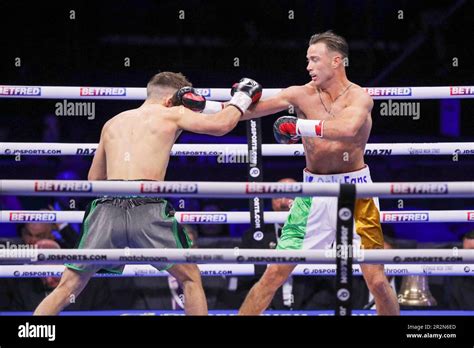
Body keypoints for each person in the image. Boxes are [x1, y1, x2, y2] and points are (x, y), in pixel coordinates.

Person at [34, 72, 262, 315]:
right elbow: (221, 125)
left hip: (106, 206)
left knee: (68, 286)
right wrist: (242, 97)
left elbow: (94, 179)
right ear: (172, 98)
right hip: (147, 205)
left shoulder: (112, 122)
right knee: (190, 278)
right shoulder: (172, 112)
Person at [238, 31, 399, 315]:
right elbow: (246, 113)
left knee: (376, 280)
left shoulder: (360, 97)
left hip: (358, 193)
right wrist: (225, 103)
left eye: (315, 60)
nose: (308, 67)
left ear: (337, 61)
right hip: (312, 193)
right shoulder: (299, 94)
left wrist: (300, 127)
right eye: (307, 60)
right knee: (274, 274)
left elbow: (348, 130)